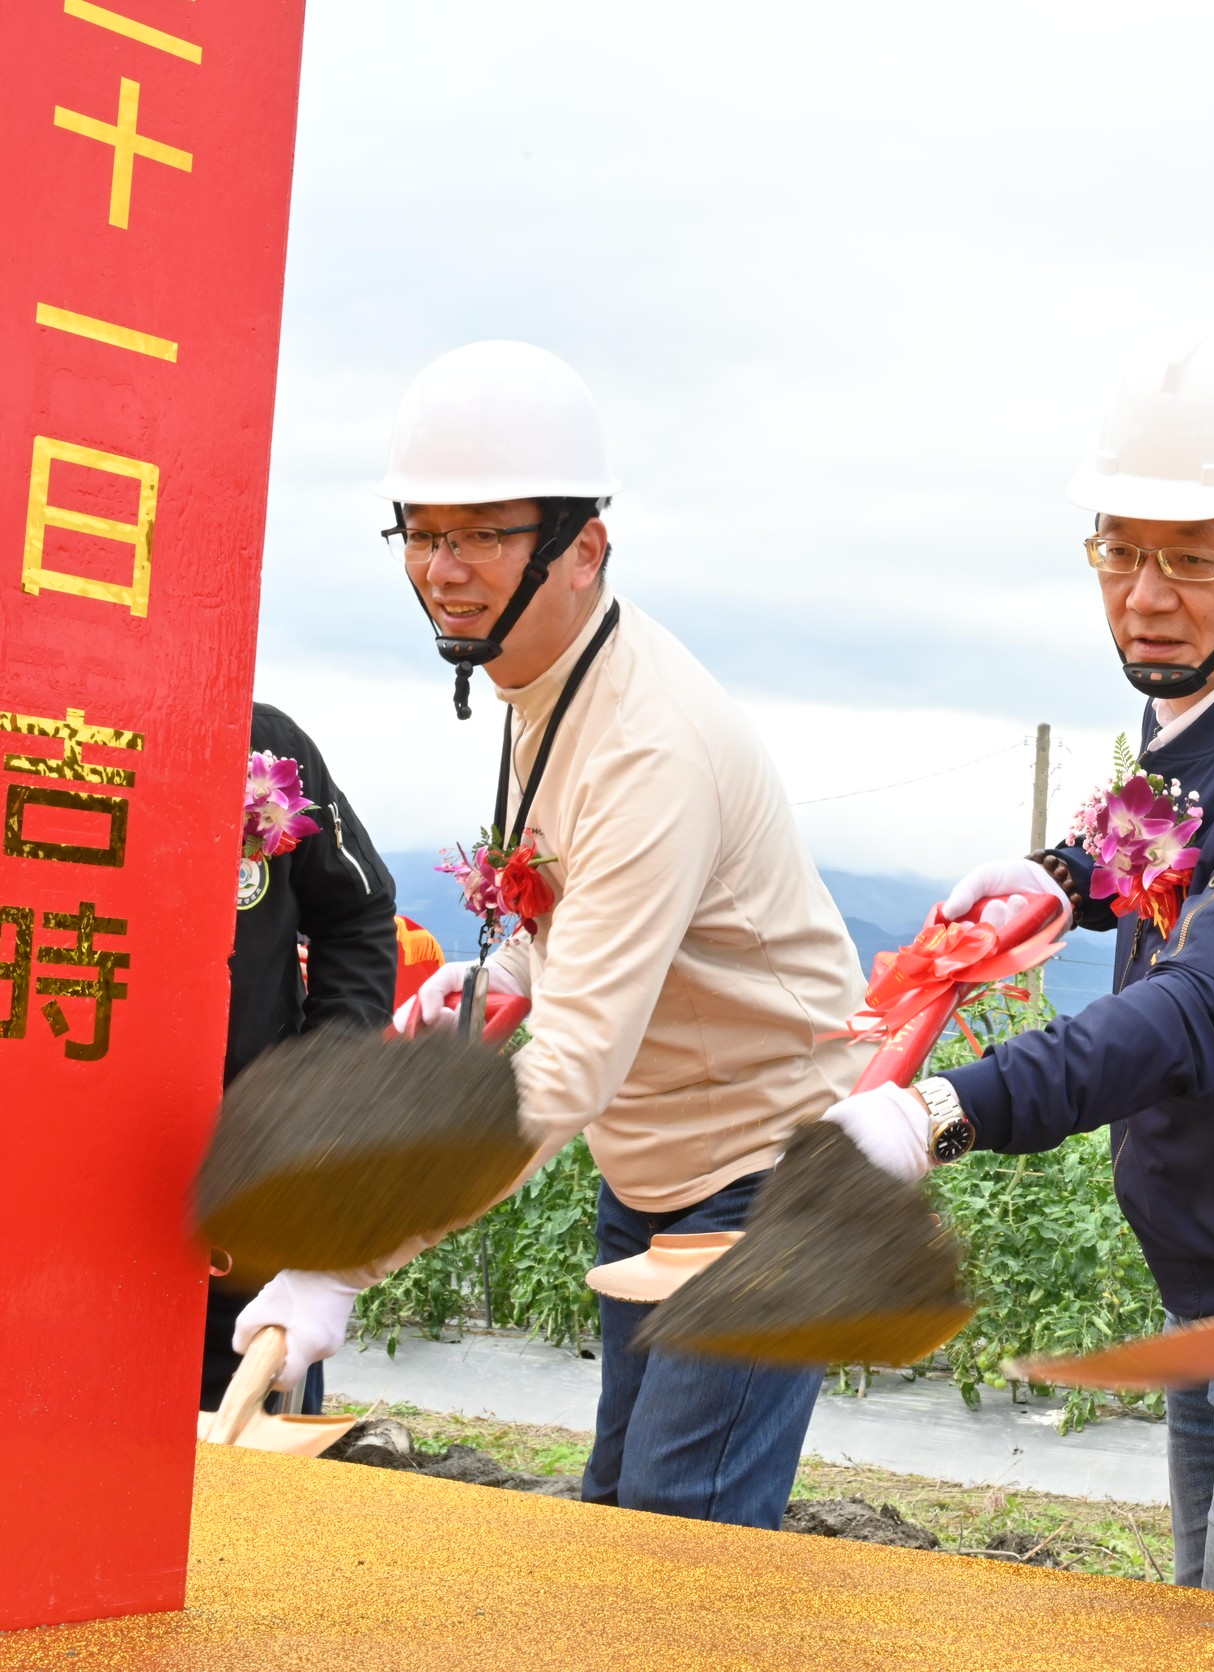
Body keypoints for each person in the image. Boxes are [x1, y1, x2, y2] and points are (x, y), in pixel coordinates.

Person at [824, 335, 1214, 1619]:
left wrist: (942, 1109)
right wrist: (1064, 875)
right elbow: (1166, 829)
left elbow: (1197, 1011)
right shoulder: (1209, 712)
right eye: (1120, 551)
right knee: (1208, 1626)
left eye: (1193, 558)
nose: (1145, 597)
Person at [232, 340, 871, 1529]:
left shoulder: (646, 746)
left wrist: (343, 1259)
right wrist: (503, 968)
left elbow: (569, 1071)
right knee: (616, 1512)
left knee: (675, 1539)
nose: (444, 569)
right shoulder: (547, 683)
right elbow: (573, 904)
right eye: (422, 533)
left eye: (482, 534)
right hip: (660, 1163)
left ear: (585, 546)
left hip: (765, 1173)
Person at [204, 703, 398, 1414]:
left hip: (245, 1173)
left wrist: (321, 1082)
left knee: (242, 1426)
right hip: (53, 1181)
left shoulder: (262, 743)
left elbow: (357, 914)